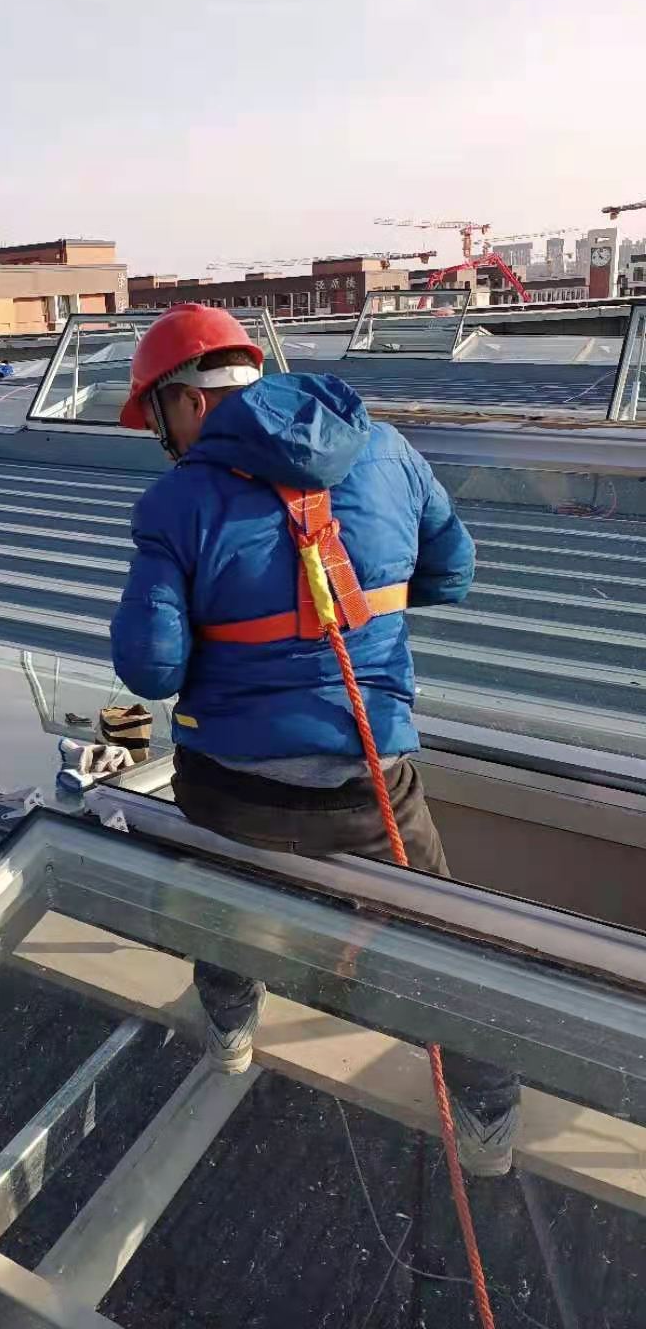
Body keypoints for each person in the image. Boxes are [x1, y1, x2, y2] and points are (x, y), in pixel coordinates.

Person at [109, 303, 520, 1176]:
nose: (165, 441)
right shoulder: (388, 451)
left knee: (220, 903)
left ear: (188, 402)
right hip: (368, 786)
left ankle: (231, 1033)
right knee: (440, 940)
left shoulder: (177, 502)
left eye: (159, 419)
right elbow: (453, 573)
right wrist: (359, 608)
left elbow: (150, 668)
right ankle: (489, 1117)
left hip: (229, 792)